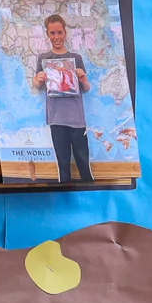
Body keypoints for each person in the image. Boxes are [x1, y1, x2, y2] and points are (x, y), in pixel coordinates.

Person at [30, 12, 93, 183]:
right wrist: (38, 79)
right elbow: (37, 86)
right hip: (56, 119)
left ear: (65, 33)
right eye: (52, 33)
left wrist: (83, 79)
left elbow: (86, 89)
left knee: (84, 166)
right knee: (63, 167)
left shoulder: (76, 58)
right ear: (47, 34)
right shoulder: (43, 59)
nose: (56, 37)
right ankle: (65, 196)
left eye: (59, 32)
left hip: (77, 119)